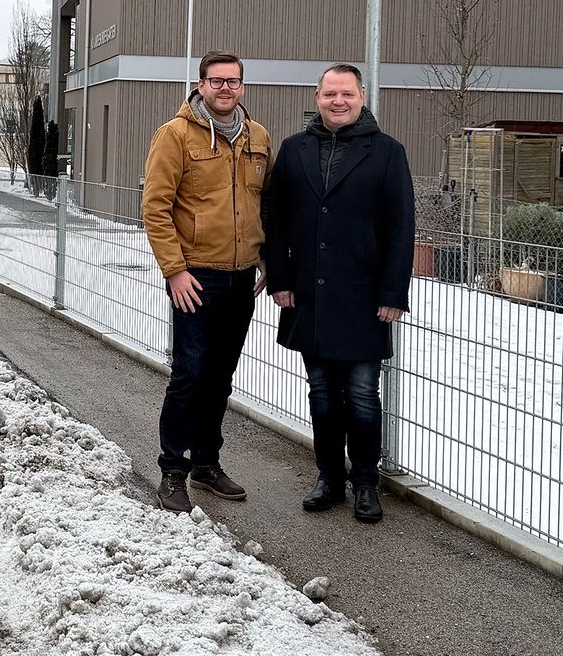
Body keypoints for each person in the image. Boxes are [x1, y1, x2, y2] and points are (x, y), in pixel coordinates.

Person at [264, 63, 415, 524]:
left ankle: (366, 483)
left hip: (365, 298)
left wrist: (393, 292)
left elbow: (401, 228)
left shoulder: (387, 152)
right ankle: (329, 477)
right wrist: (280, 279)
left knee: (364, 394)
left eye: (347, 93)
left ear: (361, 97)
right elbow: (276, 219)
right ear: (317, 98)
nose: (338, 101)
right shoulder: (294, 149)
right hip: (309, 294)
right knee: (322, 393)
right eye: (330, 93)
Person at [141, 52, 271, 513]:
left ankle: (206, 464)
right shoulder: (174, 135)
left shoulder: (258, 137)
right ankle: (172, 470)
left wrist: (266, 259)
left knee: (219, 378)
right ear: (200, 85)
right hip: (194, 277)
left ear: (243, 87)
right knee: (190, 374)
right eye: (216, 81)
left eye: (233, 81)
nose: (225, 89)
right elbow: (155, 207)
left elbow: (265, 205)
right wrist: (174, 271)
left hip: (241, 279)